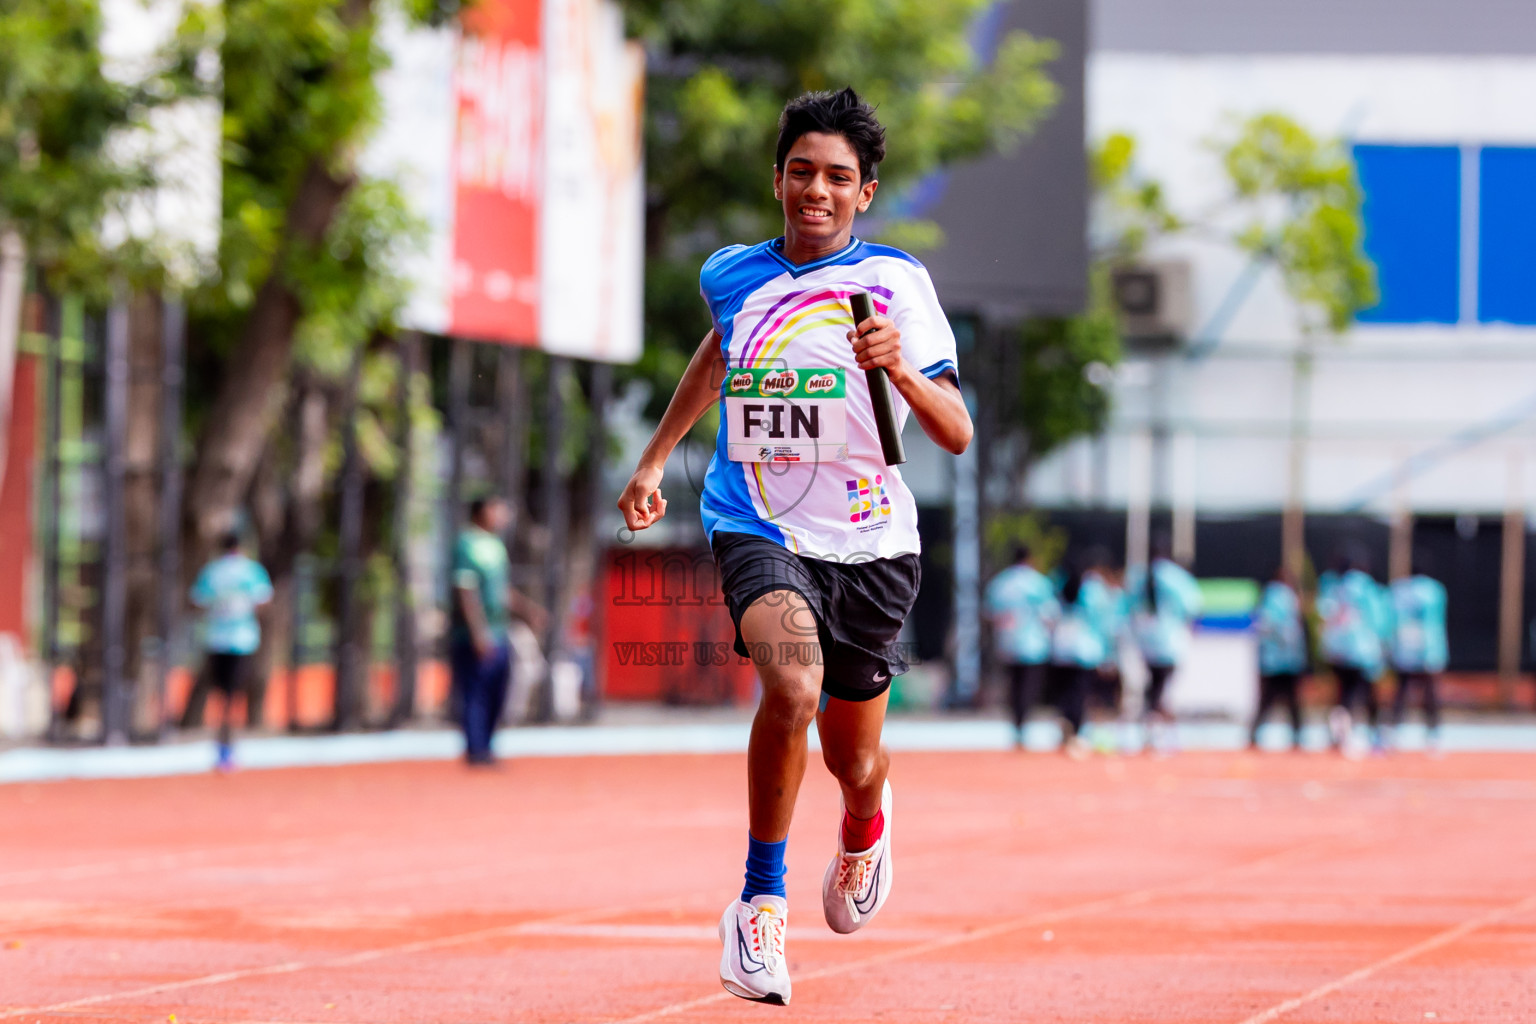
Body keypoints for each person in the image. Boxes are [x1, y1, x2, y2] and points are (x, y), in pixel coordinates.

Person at [615, 88, 971, 1005]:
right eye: (802, 172)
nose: (818, 189)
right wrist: (656, 459)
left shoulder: (899, 285)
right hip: (758, 518)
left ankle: (864, 825)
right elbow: (721, 352)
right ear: (777, 180)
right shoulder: (731, 273)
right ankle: (759, 907)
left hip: (874, 542)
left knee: (854, 758)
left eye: (838, 178)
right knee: (791, 684)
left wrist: (895, 365)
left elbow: (957, 432)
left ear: (865, 193)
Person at [449, 496, 545, 767]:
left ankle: (487, 746)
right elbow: (466, 591)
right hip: (474, 635)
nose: (504, 515)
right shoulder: (466, 544)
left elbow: (502, 591)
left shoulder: (495, 545)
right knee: (476, 692)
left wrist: (528, 611)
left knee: (498, 690)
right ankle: (476, 750)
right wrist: (478, 633)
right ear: (482, 512)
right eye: (498, 510)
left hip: (500, 631)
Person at [189, 531, 274, 772]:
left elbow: (196, 600)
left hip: (216, 639)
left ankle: (221, 745)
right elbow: (264, 600)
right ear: (241, 547)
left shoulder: (212, 571)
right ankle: (228, 747)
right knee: (233, 696)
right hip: (242, 639)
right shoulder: (251, 570)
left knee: (221, 694)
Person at [1127, 538, 1202, 753]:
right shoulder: (1176, 576)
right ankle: (1158, 732)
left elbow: (1128, 608)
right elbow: (1193, 606)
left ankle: (1151, 730)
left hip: (1146, 641)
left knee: (1153, 686)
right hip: (1170, 641)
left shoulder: (1138, 575)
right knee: (1163, 690)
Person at [984, 544, 1059, 749]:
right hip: (1033, 644)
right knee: (1028, 687)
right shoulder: (1039, 583)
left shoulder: (1000, 583)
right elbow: (1050, 615)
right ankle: (1022, 725)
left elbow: (990, 614)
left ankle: (1016, 725)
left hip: (1008, 643)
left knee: (1013, 686)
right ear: (1030, 559)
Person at [1317, 546, 1389, 754]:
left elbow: (1324, 614)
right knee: (1368, 695)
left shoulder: (1331, 584)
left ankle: (1339, 736)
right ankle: (1375, 737)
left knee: (1342, 696)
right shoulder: (1365, 585)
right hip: (1362, 651)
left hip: (1336, 650)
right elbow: (1378, 619)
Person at [1048, 555, 1114, 759]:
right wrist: (1108, 653)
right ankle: (1076, 734)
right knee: (1080, 693)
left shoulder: (1056, 585)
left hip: (1061, 647)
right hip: (1085, 649)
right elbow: (1104, 622)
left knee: (1065, 693)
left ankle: (1066, 727)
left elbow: (1048, 615)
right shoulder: (1093, 589)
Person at [1388, 552, 1449, 752]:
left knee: (1402, 692)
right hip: (1430, 648)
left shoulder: (1398, 590)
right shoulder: (1436, 590)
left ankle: (1394, 732)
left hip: (1405, 648)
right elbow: (1438, 620)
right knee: (1431, 694)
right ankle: (1433, 734)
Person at [1249, 566, 1308, 751]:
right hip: (1288, 659)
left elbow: (1263, 625)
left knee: (1266, 701)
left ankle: (1253, 735)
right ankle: (1297, 737)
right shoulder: (1287, 596)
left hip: (1271, 659)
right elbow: (1289, 628)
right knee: (1292, 701)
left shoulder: (1268, 595)